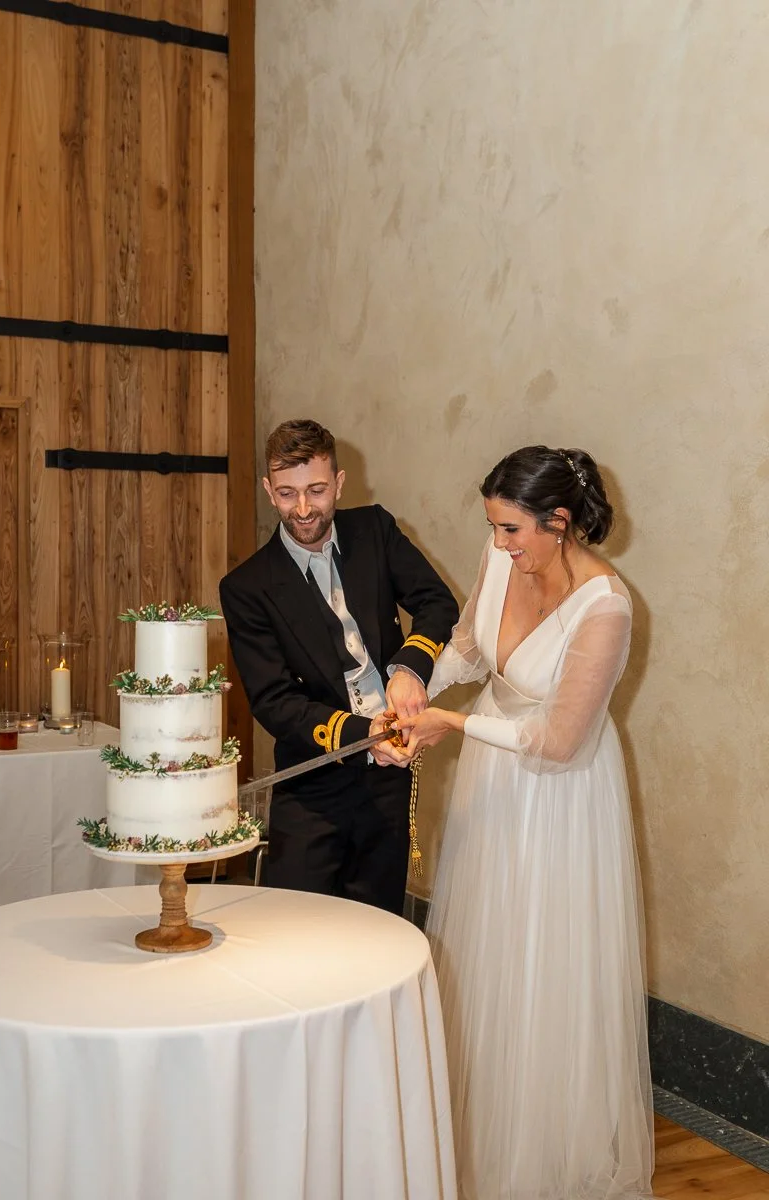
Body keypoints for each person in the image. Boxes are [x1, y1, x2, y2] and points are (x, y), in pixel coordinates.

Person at [393, 446, 653, 1199]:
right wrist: (417, 697)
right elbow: (472, 646)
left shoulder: (606, 605)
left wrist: (453, 725)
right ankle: (481, 1135)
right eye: (494, 528)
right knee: (487, 952)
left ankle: (548, 1154)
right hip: (493, 771)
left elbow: (560, 740)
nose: (500, 544)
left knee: (547, 958)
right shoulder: (503, 554)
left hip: (562, 795)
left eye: (511, 530)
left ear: (558, 523)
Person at [219, 419, 458, 915]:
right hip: (313, 783)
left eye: (317, 491)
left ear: (339, 483)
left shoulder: (375, 530)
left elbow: (437, 603)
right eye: (287, 494)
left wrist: (409, 669)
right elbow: (274, 701)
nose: (303, 509)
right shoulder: (246, 587)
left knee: (379, 923)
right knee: (297, 927)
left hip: (391, 775)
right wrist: (362, 733)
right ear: (269, 490)